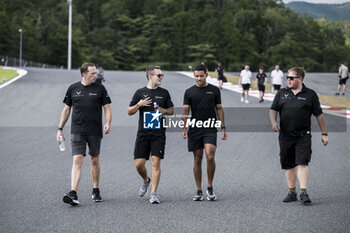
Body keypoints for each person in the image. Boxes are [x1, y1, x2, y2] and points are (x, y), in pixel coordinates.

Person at [269, 67, 328, 205]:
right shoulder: (282, 93)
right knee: (288, 164)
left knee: (302, 162)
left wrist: (324, 133)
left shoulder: (310, 95)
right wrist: (273, 122)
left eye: (291, 78)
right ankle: (292, 192)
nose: (288, 80)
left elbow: (319, 114)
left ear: (300, 79)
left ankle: (303, 192)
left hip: (303, 135)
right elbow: (273, 109)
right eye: (287, 77)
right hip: (285, 135)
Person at [57, 62, 112, 206]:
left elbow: (107, 108)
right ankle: (73, 192)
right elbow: (66, 110)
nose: (96, 75)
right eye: (93, 73)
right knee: (77, 160)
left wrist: (108, 122)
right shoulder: (73, 88)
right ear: (84, 74)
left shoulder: (100, 88)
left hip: (94, 130)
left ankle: (96, 190)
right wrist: (59, 129)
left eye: (96, 72)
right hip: (77, 130)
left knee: (94, 159)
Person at [128, 65, 174, 204]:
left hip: (158, 133)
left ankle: (154, 193)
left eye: (162, 75)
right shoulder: (139, 93)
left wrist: (163, 111)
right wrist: (139, 105)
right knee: (139, 164)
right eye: (158, 75)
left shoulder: (164, 93)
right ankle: (146, 180)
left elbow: (171, 110)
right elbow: (129, 111)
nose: (161, 78)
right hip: (143, 133)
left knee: (155, 162)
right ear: (150, 76)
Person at [182, 63, 228, 201]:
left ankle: (209, 187)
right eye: (196, 76)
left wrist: (223, 127)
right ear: (194, 76)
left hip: (210, 128)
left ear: (206, 75)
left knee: (209, 156)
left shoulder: (214, 90)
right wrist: (184, 128)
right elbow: (185, 111)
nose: (199, 78)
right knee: (197, 158)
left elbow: (219, 108)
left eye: (201, 76)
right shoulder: (189, 92)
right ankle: (199, 190)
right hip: (195, 129)